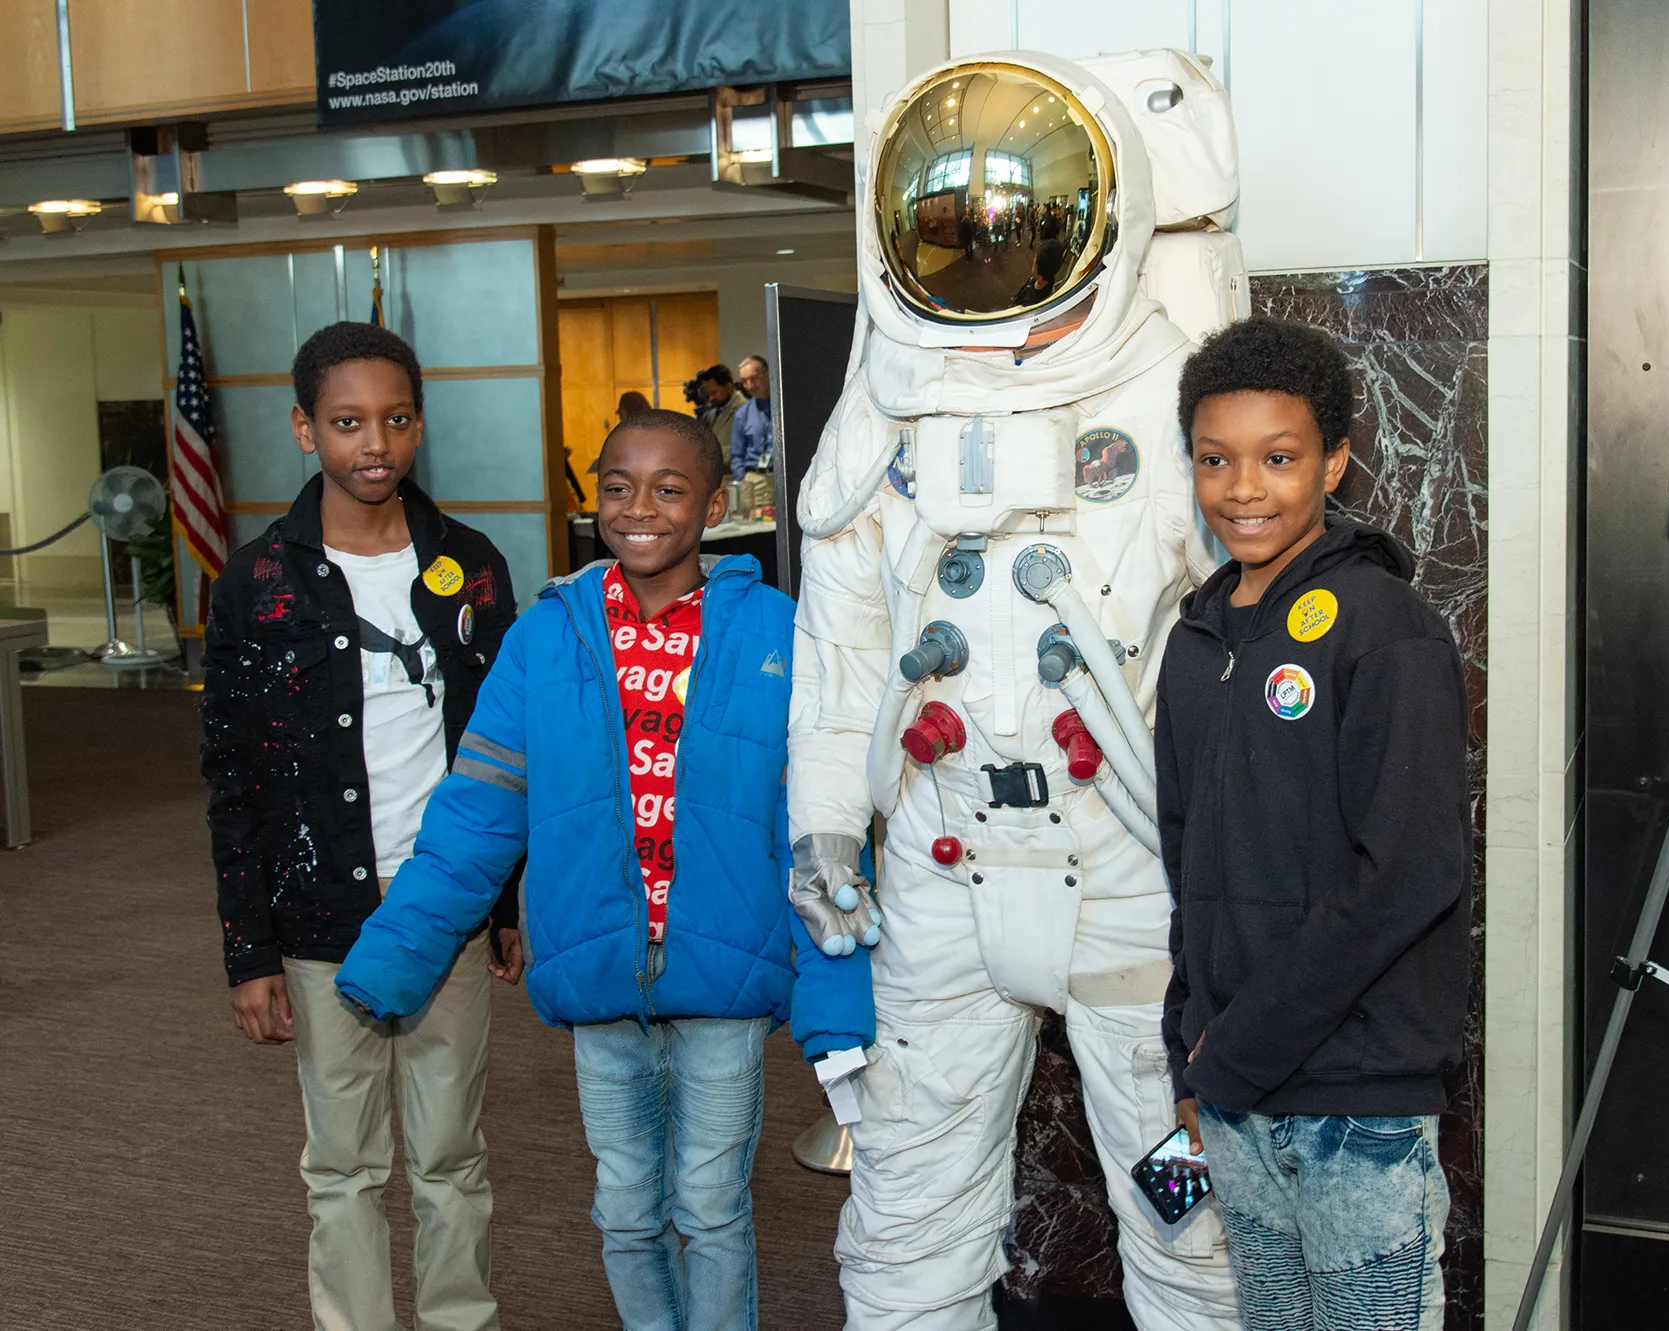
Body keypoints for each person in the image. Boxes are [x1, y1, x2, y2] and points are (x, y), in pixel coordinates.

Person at [786, 49, 1248, 1331]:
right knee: (906, 1197)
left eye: (1012, 224)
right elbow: (844, 653)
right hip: (939, 863)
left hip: (1132, 871)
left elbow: (1249, 637)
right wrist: (827, 820)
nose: (984, 255)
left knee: (1185, 1204)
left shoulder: (1175, 389)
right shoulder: (883, 403)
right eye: (951, 226)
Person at [334, 407, 874, 1331]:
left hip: (728, 979)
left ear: (713, 504)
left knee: (710, 1207)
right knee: (625, 1210)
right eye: (618, 487)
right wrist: (393, 954)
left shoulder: (780, 631)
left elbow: (820, 831)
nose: (641, 510)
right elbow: (476, 816)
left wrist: (836, 998)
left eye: (670, 490)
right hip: (595, 974)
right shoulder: (547, 639)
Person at [201, 320, 520, 1331]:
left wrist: (509, 901)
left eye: (393, 419)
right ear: (305, 429)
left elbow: (504, 756)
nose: (371, 442)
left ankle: (459, 1317)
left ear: (418, 424)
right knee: (342, 1161)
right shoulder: (256, 581)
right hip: (316, 910)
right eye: (346, 421)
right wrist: (247, 949)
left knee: (450, 1154)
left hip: (445, 901)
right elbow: (232, 776)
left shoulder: (470, 564)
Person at [1159, 318, 1471, 1331]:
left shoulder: (1383, 624)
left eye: (1278, 458)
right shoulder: (1196, 635)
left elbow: (1407, 872)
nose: (1243, 486)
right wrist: (1190, 1051)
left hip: (1358, 1096)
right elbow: (1188, 864)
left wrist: (1237, 1045)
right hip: (1236, 1085)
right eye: (1216, 459)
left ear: (1332, 461)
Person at [730, 355, 775, 519]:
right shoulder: (742, 413)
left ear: (767, 374)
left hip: (782, 479)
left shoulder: (784, 405)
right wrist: (743, 484)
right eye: (744, 381)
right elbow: (737, 455)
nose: (749, 386)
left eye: (754, 379)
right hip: (754, 481)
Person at [696, 364, 747, 453]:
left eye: (714, 392)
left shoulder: (746, 410)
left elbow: (747, 450)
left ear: (729, 387)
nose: (711, 398)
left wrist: (712, 454)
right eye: (709, 394)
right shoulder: (714, 411)